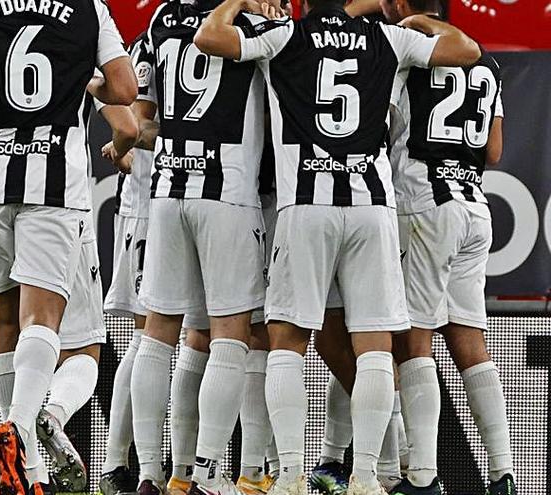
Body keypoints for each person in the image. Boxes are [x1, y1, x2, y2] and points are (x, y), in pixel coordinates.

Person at [195, 1, 480, 493]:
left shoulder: (284, 35)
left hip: (305, 206)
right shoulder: (388, 39)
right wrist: (422, 20)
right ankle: (368, 476)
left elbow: (211, 39)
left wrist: (237, 3)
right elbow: (467, 50)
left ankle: (287, 476)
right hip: (372, 207)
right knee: (374, 345)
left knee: (287, 340)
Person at [0, 1, 136, 494]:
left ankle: (25, 475)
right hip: (54, 184)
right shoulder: (88, 9)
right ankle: (21, 431)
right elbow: (126, 90)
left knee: (2, 323)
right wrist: (83, 82)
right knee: (41, 320)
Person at [129, 1, 271, 495]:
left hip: (168, 187)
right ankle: (211, 473)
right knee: (232, 334)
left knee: (158, 331)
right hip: (228, 191)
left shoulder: (164, 16)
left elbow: (139, 115)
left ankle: (152, 473)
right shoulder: (260, 21)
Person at [378, 0, 513, 493]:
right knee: (471, 344)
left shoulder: (411, 52)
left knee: (413, 340)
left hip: (423, 202)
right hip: (475, 207)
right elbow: (494, 150)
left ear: (405, 8)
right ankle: (502, 472)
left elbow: (380, 124)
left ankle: (423, 475)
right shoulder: (488, 63)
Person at [99, 32, 155, 495]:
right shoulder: (156, 35)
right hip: (153, 208)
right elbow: (135, 121)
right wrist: (125, 148)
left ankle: (190, 466)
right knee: (147, 338)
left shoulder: (243, 33)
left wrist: (124, 149)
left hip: (222, 205)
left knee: (213, 340)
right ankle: (119, 464)